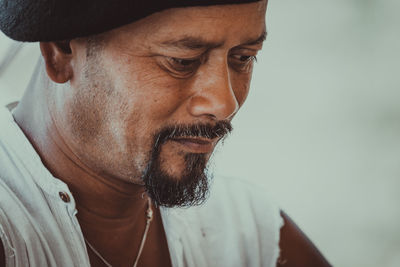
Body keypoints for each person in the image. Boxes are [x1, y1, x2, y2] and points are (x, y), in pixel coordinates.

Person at [0, 0, 331, 266]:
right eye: (182, 61)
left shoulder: (246, 237)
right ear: (61, 52)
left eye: (243, 58)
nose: (224, 102)